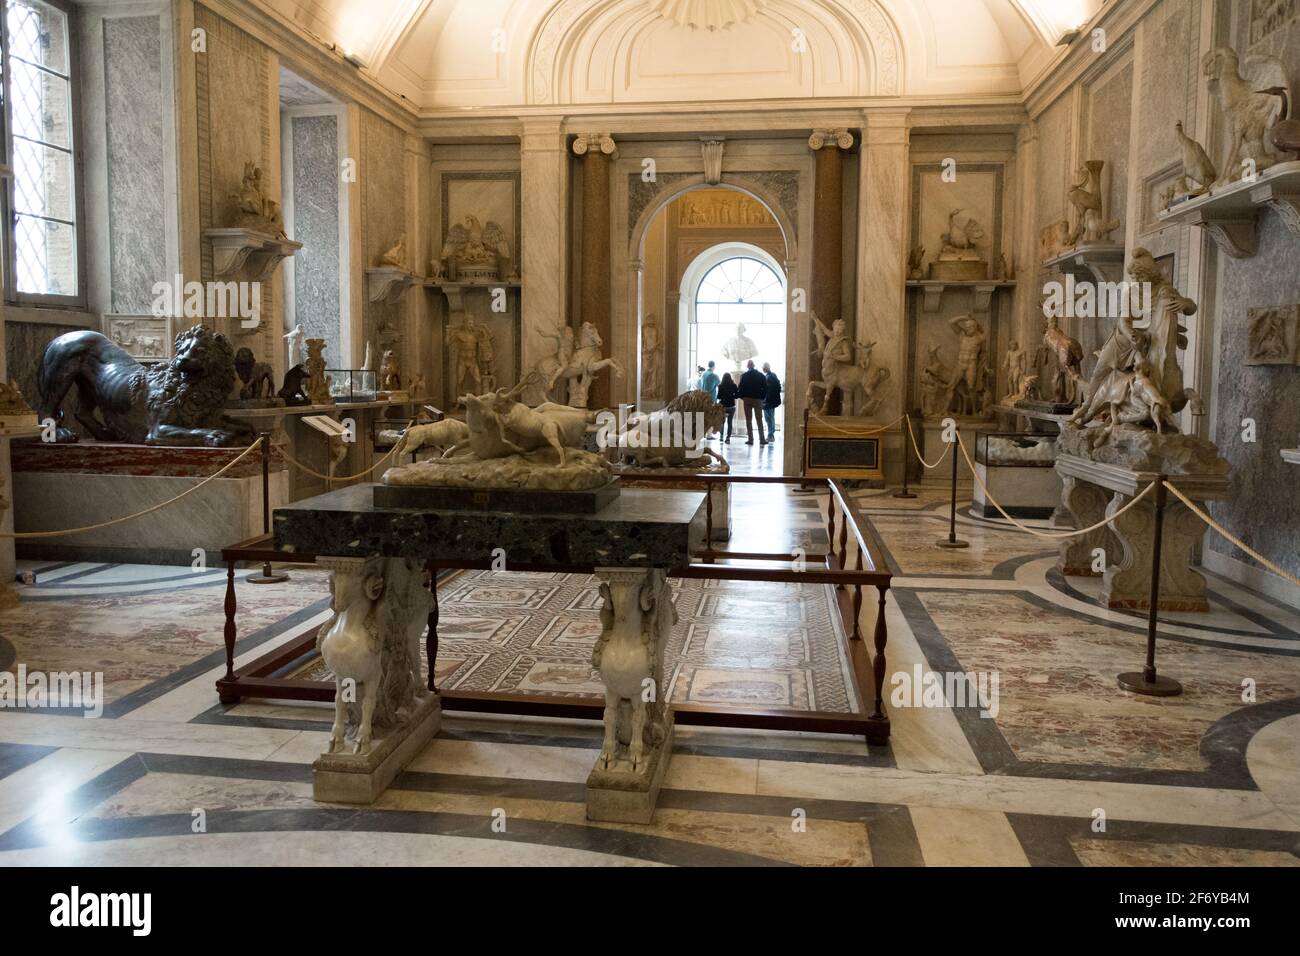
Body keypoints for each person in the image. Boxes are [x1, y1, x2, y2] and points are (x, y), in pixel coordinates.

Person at [737, 359, 768, 445]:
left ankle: (751, 439)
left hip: (747, 399)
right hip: (757, 399)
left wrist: (743, 397)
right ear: (754, 366)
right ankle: (762, 439)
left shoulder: (744, 376)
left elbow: (740, 388)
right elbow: (765, 388)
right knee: (759, 419)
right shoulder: (761, 375)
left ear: (747, 366)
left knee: (748, 420)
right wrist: (762, 397)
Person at [761, 362, 782, 444]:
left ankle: (770, 436)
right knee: (772, 418)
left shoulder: (768, 377)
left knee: (768, 419)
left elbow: (768, 391)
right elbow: (778, 387)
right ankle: (771, 434)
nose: (762, 369)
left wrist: (765, 400)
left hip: (768, 402)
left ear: (766, 368)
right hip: (773, 401)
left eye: (763, 367)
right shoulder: (773, 375)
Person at [716, 372, 738, 443]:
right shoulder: (734, 385)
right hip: (731, 406)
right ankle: (728, 438)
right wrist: (732, 396)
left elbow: (718, 397)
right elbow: (737, 395)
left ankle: (721, 436)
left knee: (722, 422)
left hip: (723, 406)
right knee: (730, 422)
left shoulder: (720, 386)